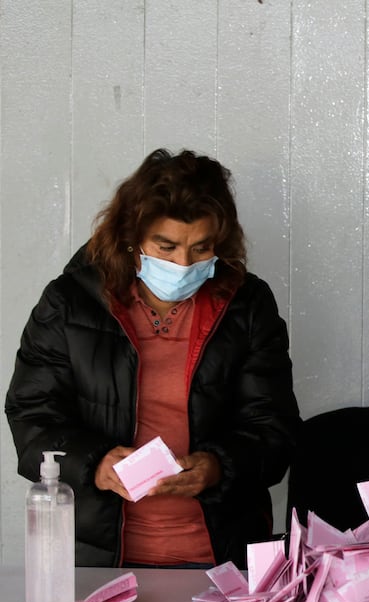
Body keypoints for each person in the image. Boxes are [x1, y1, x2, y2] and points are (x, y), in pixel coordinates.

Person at [6, 148, 300, 569]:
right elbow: (31, 416)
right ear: (132, 236)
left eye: (202, 248)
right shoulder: (70, 304)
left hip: (223, 561)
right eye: (166, 247)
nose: (183, 264)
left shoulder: (247, 305)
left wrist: (217, 466)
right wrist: (97, 463)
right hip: (99, 562)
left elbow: (275, 428)